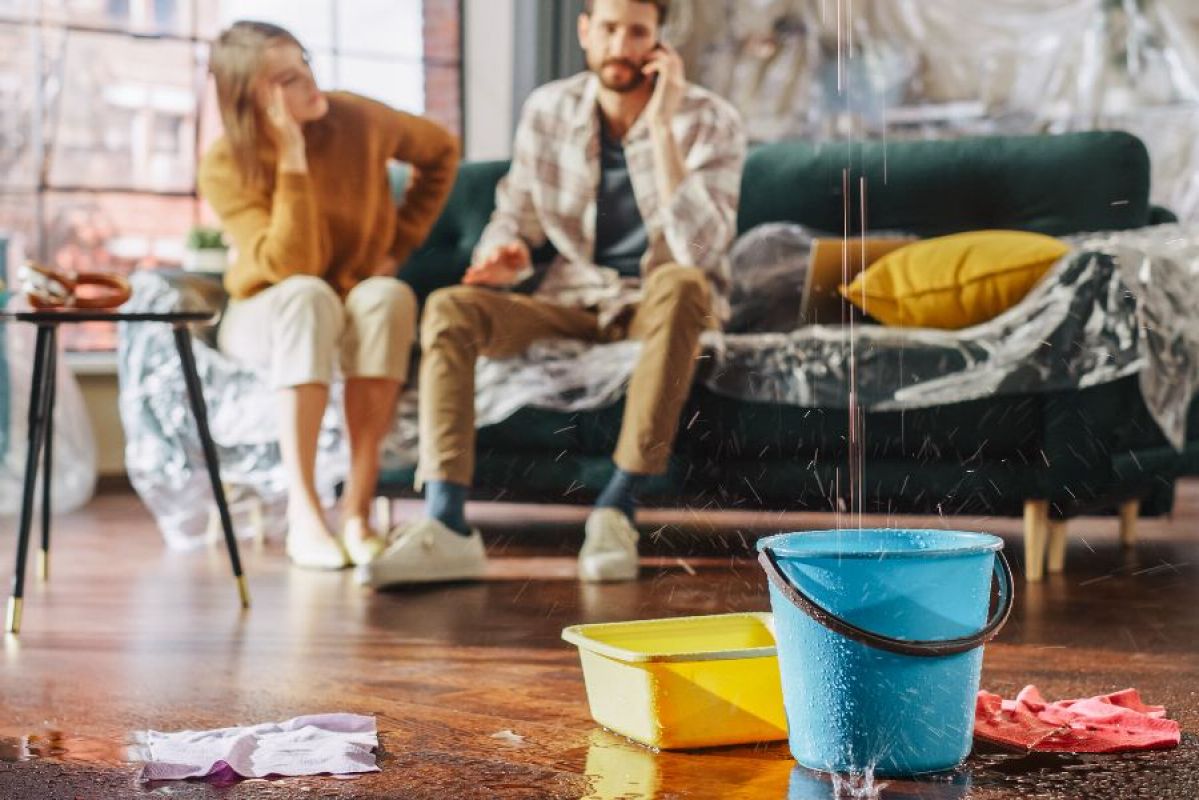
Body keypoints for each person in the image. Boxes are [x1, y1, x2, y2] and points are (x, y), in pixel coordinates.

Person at [360, 0, 746, 587]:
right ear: (585, 32)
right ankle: (445, 524)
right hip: (571, 297)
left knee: (684, 282)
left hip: (657, 301)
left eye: (637, 33)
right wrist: (504, 253)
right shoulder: (549, 109)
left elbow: (702, 252)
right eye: (610, 29)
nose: (622, 45)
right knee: (450, 309)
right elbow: (514, 214)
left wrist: (664, 125)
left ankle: (616, 509)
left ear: (658, 44)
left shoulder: (710, 120)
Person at [198, 20, 459, 570]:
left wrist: (401, 243)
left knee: (388, 295)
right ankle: (305, 512)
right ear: (252, 98)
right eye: (287, 80)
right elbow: (292, 265)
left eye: (306, 64)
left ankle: (358, 512)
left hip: (347, 299)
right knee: (306, 294)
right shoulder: (225, 163)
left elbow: (441, 150)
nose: (311, 84)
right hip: (266, 310)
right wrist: (291, 159)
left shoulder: (358, 118)